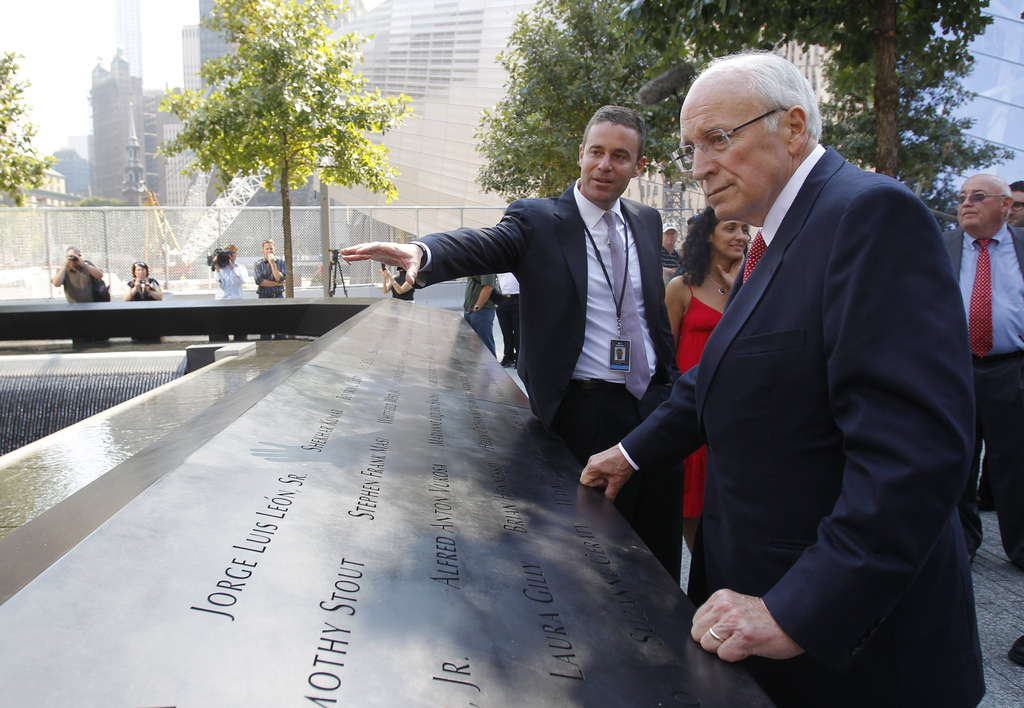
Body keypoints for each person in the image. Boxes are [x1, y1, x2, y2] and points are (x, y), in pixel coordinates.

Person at [579, 52, 983, 708]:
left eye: (718, 139)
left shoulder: (871, 217)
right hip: (755, 613)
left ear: (794, 128)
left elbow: (914, 456)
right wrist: (631, 453)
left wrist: (799, 610)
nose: (702, 166)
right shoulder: (771, 239)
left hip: (851, 654)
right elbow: (720, 374)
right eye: (690, 148)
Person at [341, 105, 684, 579]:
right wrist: (422, 251)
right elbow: (482, 244)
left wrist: (670, 384)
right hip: (582, 414)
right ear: (581, 154)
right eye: (597, 152)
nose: (606, 165)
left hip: (652, 407)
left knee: (657, 553)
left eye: (620, 156)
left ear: (638, 166)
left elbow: (649, 313)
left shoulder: (645, 221)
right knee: (587, 563)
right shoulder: (538, 220)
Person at [944, 173, 1024, 571]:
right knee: (959, 459)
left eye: (977, 197)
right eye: (961, 198)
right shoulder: (945, 246)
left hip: (1011, 368)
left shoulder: (1020, 248)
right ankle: (963, 543)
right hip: (956, 367)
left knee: (1014, 461)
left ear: (1006, 206)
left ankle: (1020, 547)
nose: (966, 204)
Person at [663, 208, 746, 551]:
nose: (741, 235)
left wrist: (741, 289)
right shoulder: (681, 287)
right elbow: (665, 353)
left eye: (744, 229)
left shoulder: (753, 285)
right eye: (731, 228)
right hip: (694, 408)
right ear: (708, 235)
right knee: (691, 503)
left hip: (737, 409)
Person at [254, 240, 287, 340]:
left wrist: (273, 264)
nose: (269, 251)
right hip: (264, 297)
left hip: (277, 296)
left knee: (280, 327)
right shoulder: (258, 264)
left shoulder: (281, 263)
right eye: (267, 249)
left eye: (271, 248)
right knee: (265, 329)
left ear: (275, 250)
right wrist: (276, 284)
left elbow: (280, 278)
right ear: (263, 250)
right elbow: (260, 281)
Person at [463, 274, 498, 357]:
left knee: (485, 345)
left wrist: (477, 307)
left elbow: (488, 288)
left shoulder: (487, 266)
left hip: (482, 311)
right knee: (472, 346)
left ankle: (491, 369)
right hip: (470, 310)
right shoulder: (475, 265)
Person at [495, 272, 520, 367]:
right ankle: (508, 357)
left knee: (518, 331)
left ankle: (518, 357)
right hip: (502, 298)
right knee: (506, 331)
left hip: (517, 297)